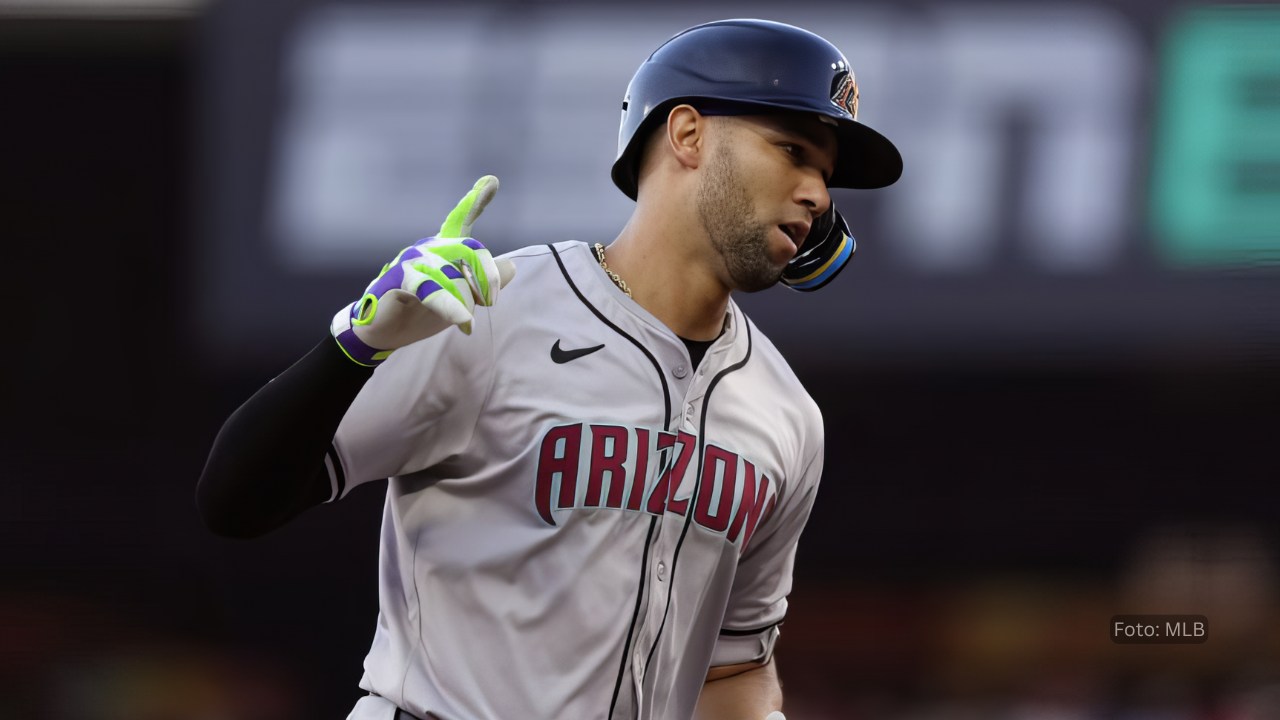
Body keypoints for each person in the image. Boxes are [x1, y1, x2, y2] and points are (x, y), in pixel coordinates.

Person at [197, 17, 901, 720]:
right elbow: (235, 502)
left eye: (825, 173)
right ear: (687, 135)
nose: (817, 193)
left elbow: (732, 668)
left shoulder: (786, 415)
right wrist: (355, 347)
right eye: (793, 151)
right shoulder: (491, 311)